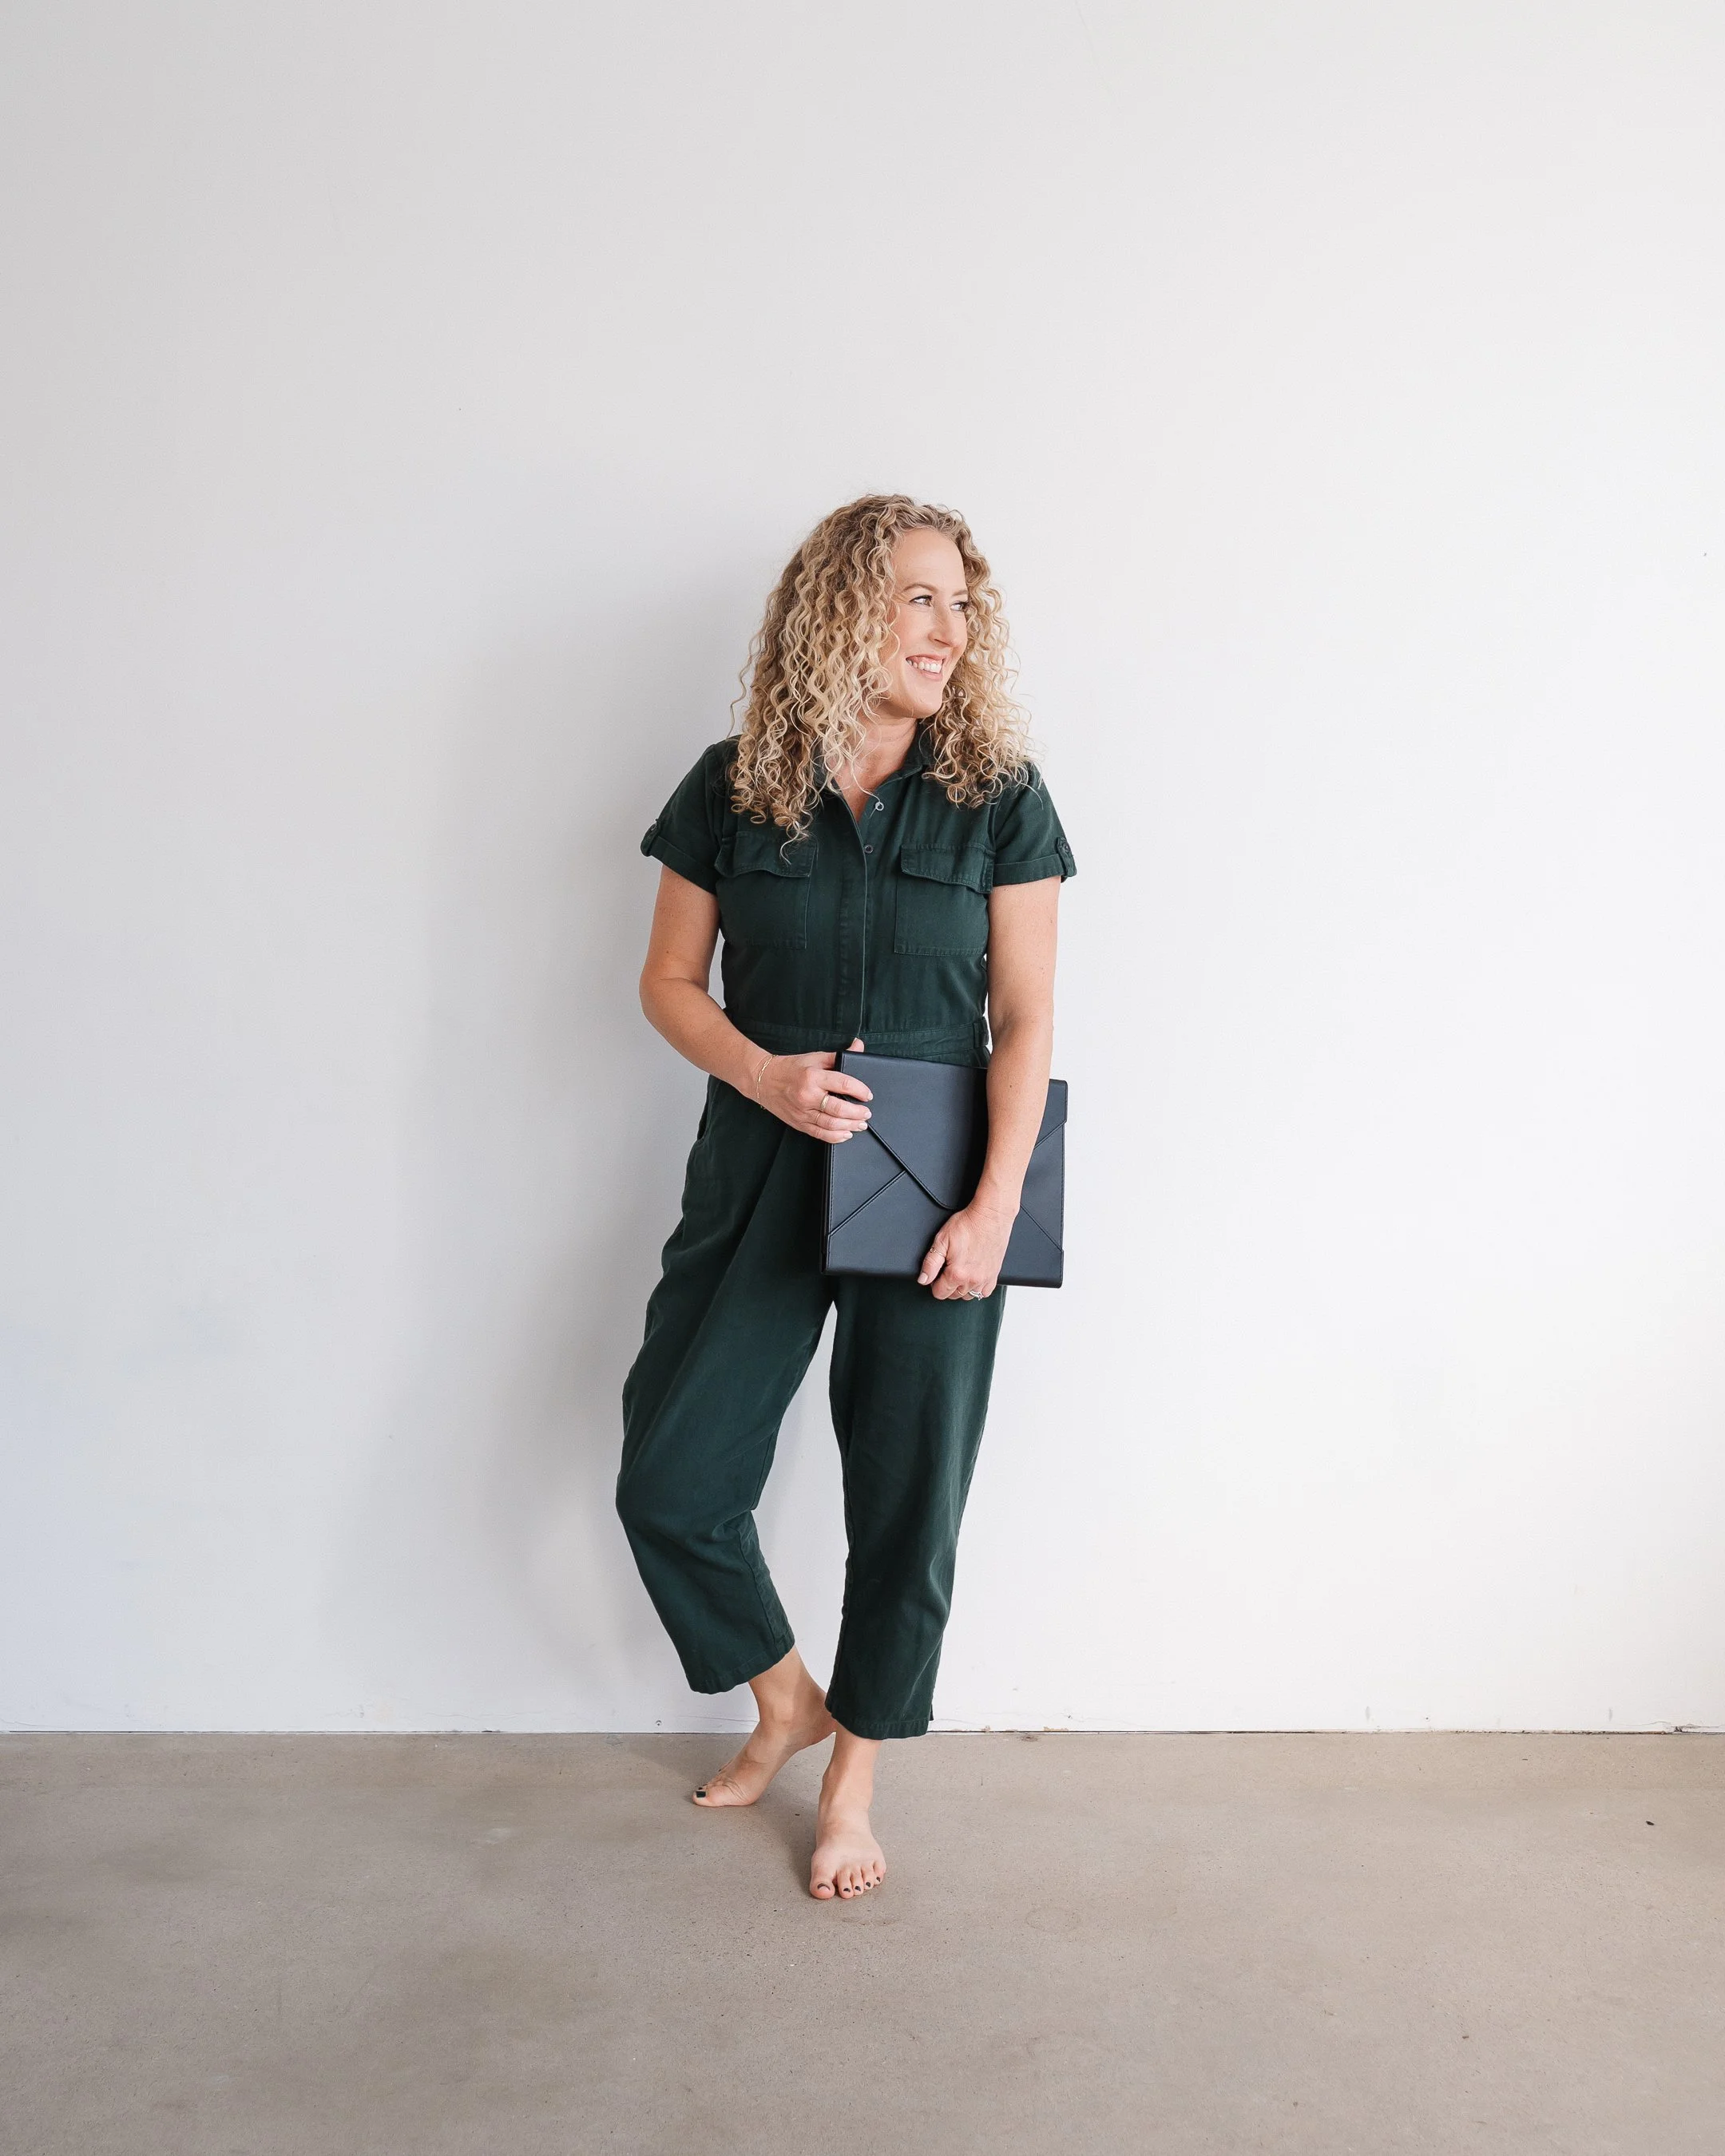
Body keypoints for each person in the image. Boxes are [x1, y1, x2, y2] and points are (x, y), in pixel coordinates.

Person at [617, 493, 1075, 1900]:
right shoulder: (732, 785)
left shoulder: (1001, 796)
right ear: (838, 610)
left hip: (934, 1180)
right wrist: (764, 1076)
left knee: (906, 1492)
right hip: (760, 1159)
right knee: (673, 1477)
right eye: (919, 598)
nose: (950, 631)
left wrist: (993, 1203)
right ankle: (786, 1703)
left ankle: (854, 1779)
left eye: (961, 605)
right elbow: (668, 985)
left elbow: (1026, 1019)